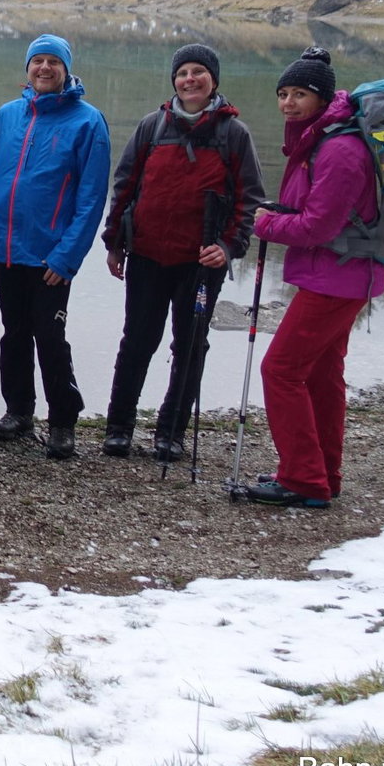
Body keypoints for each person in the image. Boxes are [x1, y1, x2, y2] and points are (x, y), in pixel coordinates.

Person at [99, 44, 265, 462]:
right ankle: (119, 428)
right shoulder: (152, 126)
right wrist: (115, 242)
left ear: (213, 80)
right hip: (148, 256)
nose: (189, 79)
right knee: (137, 341)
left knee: (190, 345)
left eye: (198, 72)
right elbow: (124, 187)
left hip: (200, 264)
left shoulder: (233, 134)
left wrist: (228, 247)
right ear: (174, 80)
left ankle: (170, 433)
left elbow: (249, 201)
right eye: (182, 73)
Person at [247, 48, 383, 508]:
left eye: (299, 94)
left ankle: (303, 479)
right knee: (323, 375)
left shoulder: (339, 149)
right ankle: (323, 473)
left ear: (323, 99)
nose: (288, 103)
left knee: (280, 370)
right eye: (283, 93)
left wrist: (265, 224)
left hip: (336, 278)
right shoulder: (320, 142)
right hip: (341, 275)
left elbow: (317, 228)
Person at [0, 34, 111, 459]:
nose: (44, 69)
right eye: (38, 62)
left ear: (66, 69)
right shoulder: (8, 115)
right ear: (27, 69)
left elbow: (91, 200)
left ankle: (63, 421)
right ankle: (18, 410)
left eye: (53, 62)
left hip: (51, 256)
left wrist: (68, 256)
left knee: (50, 337)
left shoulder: (88, 122)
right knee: (13, 333)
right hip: (8, 248)